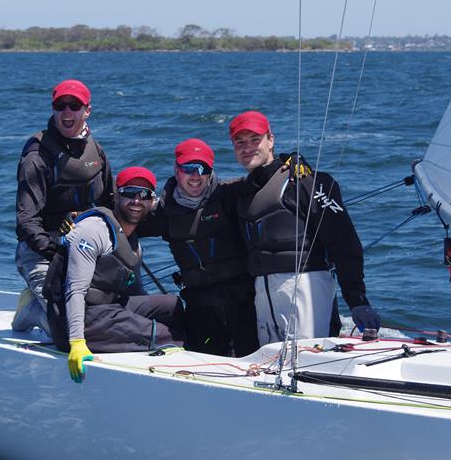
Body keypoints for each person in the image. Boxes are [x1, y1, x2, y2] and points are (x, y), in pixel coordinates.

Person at [229, 110, 380, 346]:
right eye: (240, 142)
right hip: (263, 293)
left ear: (271, 139)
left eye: (255, 139)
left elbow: (345, 242)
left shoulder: (305, 181)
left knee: (309, 360)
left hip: (305, 289)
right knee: (270, 364)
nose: (247, 147)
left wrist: (357, 299)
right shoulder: (241, 192)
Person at [45, 166, 185, 383]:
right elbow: (75, 290)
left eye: (145, 195)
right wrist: (76, 342)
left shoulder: (133, 246)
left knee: (172, 306)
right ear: (116, 196)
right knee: (166, 336)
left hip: (107, 310)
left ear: (152, 201)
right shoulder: (93, 231)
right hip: (79, 319)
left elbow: (138, 294)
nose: (137, 201)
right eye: (130, 193)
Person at [137, 138, 258, 357]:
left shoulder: (230, 194)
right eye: (188, 168)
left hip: (244, 302)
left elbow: (265, 180)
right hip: (200, 306)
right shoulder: (164, 211)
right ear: (176, 170)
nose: (195, 176)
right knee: (205, 363)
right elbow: (126, 223)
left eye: (202, 169)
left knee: (251, 360)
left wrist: (290, 162)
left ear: (211, 171)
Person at [13, 79, 114, 335]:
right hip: (42, 252)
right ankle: (31, 310)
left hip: (86, 248)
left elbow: (110, 203)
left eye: (74, 106)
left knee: (104, 315)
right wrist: (53, 248)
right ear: (53, 110)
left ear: (87, 110)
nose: (67, 112)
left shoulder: (97, 151)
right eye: (60, 106)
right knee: (68, 330)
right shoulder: (36, 156)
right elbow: (27, 220)